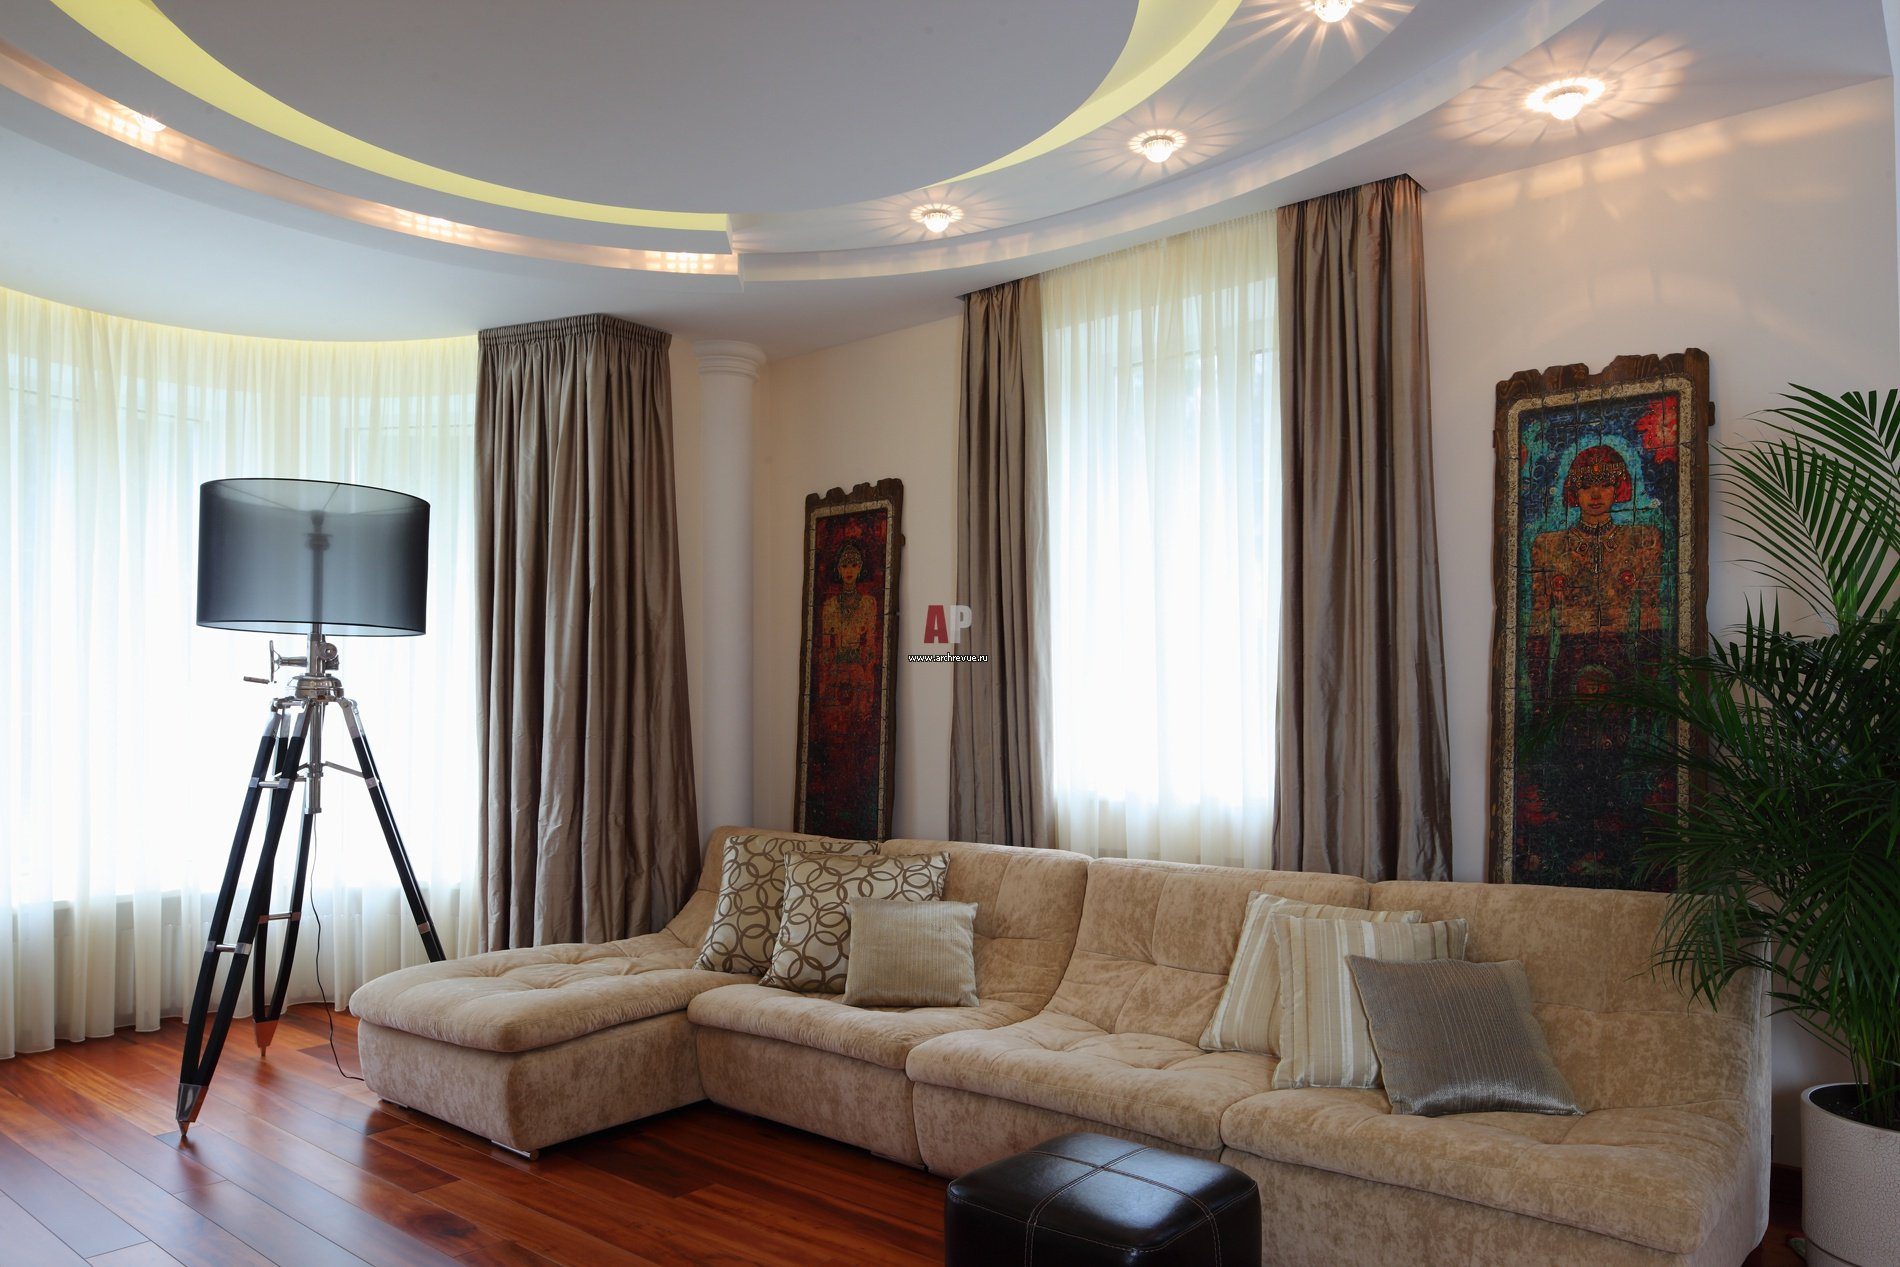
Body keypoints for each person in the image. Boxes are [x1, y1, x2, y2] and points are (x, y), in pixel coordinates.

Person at [818, 541, 878, 726]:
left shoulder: (868, 604)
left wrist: (863, 668)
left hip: (859, 674)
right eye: (844, 566)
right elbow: (826, 650)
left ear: (860, 568)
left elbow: (870, 649)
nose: (849, 570)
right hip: (835, 673)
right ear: (838, 569)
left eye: (853, 565)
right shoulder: (830, 607)